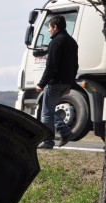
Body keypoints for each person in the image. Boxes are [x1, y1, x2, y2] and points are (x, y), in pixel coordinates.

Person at [36, 15, 79, 149]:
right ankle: (64, 133)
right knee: (49, 110)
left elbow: (51, 66)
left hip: (54, 82)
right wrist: (70, 84)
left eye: (49, 27)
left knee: (47, 112)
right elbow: (75, 65)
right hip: (65, 83)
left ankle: (51, 140)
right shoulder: (72, 42)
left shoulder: (55, 42)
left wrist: (41, 83)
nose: (48, 30)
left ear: (55, 27)